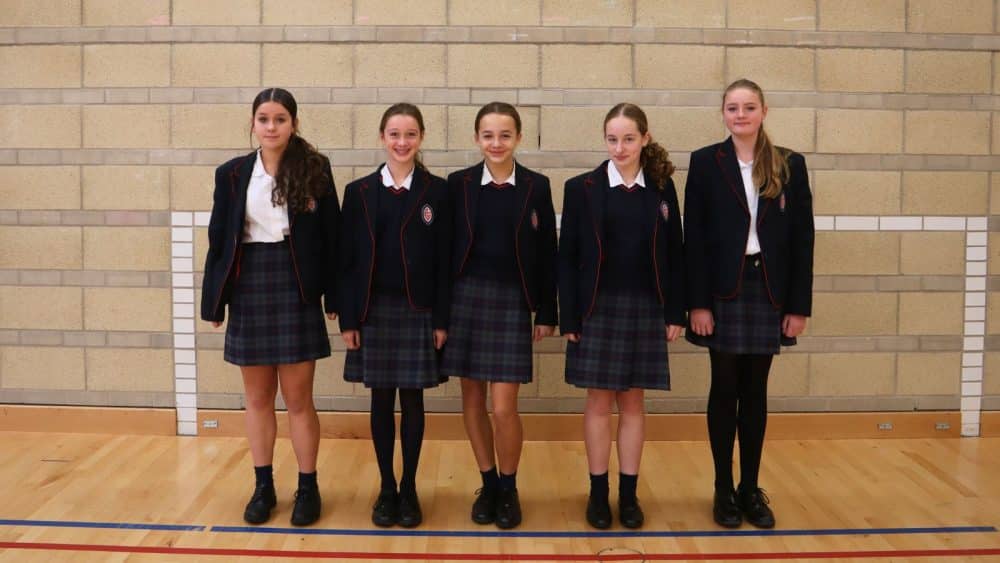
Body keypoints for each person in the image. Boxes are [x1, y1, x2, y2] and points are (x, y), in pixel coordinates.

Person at [201, 87, 339, 527]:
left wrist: (334, 296)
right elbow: (219, 240)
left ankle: (308, 487)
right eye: (264, 119)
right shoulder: (231, 173)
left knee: (298, 399)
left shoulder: (316, 169)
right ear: (253, 123)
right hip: (250, 283)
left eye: (280, 119)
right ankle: (263, 487)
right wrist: (214, 302)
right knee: (257, 398)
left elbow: (332, 237)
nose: (272, 126)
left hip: (296, 283)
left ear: (294, 124)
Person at [684, 78, 815, 529]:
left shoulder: (789, 163)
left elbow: (803, 238)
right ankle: (722, 489)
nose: (740, 115)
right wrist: (697, 304)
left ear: (764, 111)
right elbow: (694, 238)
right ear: (723, 113)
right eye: (733, 108)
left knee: (755, 391)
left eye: (749, 107)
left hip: (768, 290)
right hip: (723, 291)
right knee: (724, 388)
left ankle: (749, 488)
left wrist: (798, 306)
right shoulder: (706, 162)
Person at [558, 103, 685, 529]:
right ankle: (598, 495)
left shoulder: (662, 188)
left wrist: (675, 310)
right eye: (612, 139)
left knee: (633, 402)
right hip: (597, 309)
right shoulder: (582, 188)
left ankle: (628, 496)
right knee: (598, 402)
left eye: (629, 139)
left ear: (645, 139)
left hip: (646, 308)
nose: (620, 147)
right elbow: (567, 257)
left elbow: (675, 252)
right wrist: (570, 317)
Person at [443, 102, 558, 529]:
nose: (496, 143)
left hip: (512, 302)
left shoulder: (536, 186)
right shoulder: (457, 185)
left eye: (505, 135)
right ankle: (488, 483)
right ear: (477, 138)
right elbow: (443, 252)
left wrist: (546, 310)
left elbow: (548, 252)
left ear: (518, 138)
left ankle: (509, 487)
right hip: (465, 299)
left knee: (504, 406)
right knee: (472, 398)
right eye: (488, 135)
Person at [338, 103, 452, 529]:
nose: (402, 142)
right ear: (382, 137)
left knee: (414, 400)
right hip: (373, 313)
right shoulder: (359, 192)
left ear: (421, 138)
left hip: (418, 311)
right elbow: (347, 262)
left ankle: (409, 488)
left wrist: (441, 319)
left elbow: (444, 262)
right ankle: (386, 487)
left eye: (410, 134)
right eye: (394, 134)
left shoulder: (438, 192)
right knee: (381, 400)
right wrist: (349, 319)